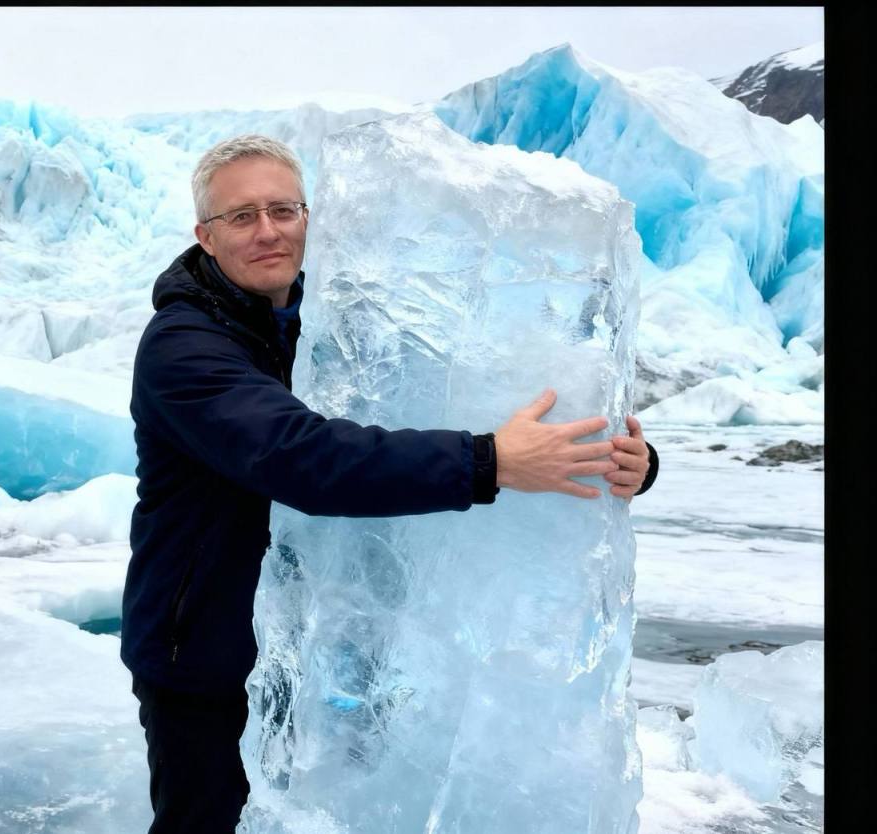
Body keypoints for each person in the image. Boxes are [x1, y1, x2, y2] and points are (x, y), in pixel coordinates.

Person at [122, 134, 659, 834]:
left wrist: (628, 460)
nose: (267, 231)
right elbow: (300, 457)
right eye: (242, 216)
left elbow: (451, 399)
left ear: (310, 218)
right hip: (205, 656)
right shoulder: (183, 347)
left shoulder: (336, 325)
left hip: (325, 649)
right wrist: (490, 461)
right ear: (206, 236)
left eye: (283, 210)